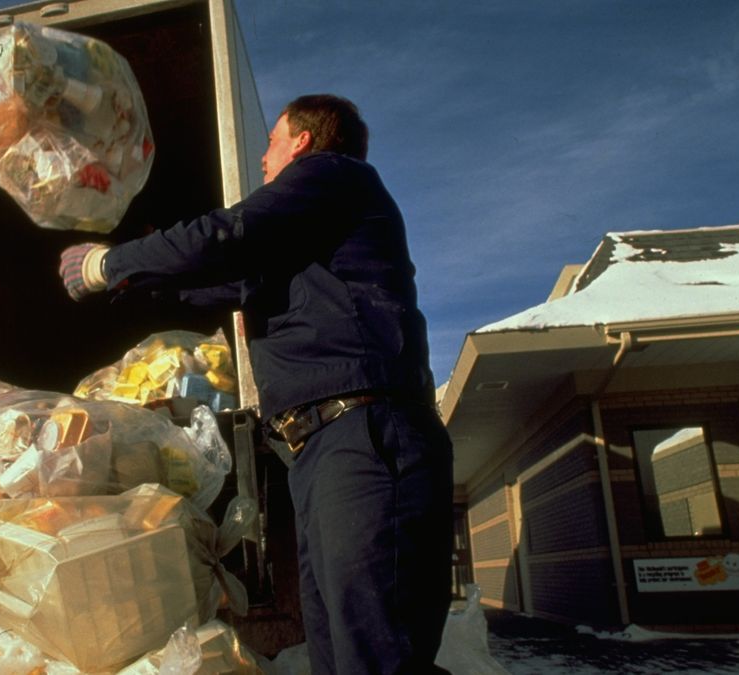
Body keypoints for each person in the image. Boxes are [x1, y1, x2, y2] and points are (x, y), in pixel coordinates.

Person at [59, 94, 454, 673]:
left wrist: (105, 265)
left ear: (302, 141)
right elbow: (216, 280)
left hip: (367, 438)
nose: (264, 160)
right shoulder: (303, 246)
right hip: (321, 449)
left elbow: (228, 234)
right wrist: (128, 273)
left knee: (375, 654)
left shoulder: (334, 176)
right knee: (338, 655)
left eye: (271, 143)